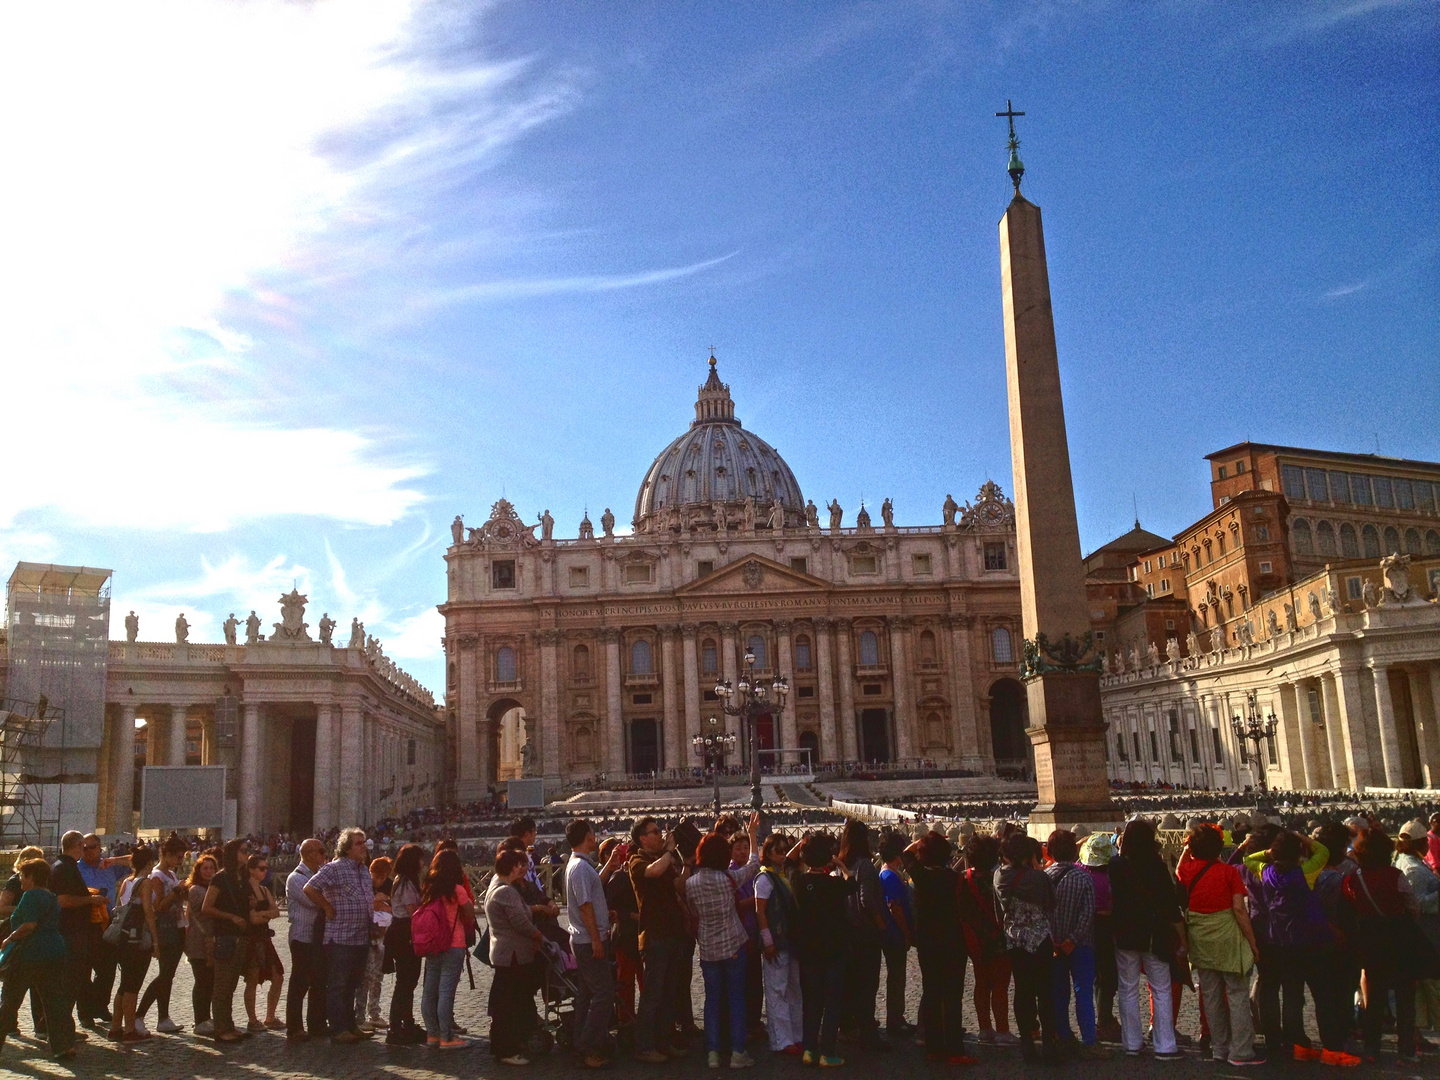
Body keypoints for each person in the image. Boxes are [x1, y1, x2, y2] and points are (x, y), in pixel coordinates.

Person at [1177, 824, 1263, 1067]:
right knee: (1236, 993)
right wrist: (1253, 942)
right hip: (1227, 935)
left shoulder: (1188, 870)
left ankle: (1220, 1048)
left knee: (1211, 995)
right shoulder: (1228, 873)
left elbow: (1178, 869)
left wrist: (1186, 850)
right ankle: (1241, 1051)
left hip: (1200, 938)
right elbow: (1239, 910)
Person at [1244, 830, 1330, 1063]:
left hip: (1271, 938)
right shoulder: (1305, 874)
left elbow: (1248, 859)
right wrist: (1303, 838)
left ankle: (1272, 1037)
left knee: (1269, 988)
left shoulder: (1266, 873)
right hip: (1297, 940)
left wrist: (1268, 853)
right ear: (1298, 854)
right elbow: (1323, 852)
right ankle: (1294, 1035)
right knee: (1293, 991)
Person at [685, 814, 761, 1069]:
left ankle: (713, 1053)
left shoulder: (691, 884)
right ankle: (739, 1052)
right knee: (736, 998)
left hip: (708, 950)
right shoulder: (728, 879)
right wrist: (751, 835)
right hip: (734, 945)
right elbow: (753, 864)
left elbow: (694, 915)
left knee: (712, 1000)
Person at [1108, 818, 1183, 1060]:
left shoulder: (1115, 865)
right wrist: (1181, 933)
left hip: (1125, 933)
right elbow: (1170, 904)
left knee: (1127, 989)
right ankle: (1165, 1045)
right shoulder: (1157, 866)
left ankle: (1131, 1043)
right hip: (1154, 934)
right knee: (1160, 989)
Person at [1344, 828, 1421, 1063]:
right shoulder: (1395, 875)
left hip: (1370, 939)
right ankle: (1406, 1050)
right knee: (1405, 997)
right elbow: (1413, 906)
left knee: (1374, 997)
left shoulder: (1355, 878)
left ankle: (1372, 1048)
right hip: (1398, 939)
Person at [905, 830, 975, 1064]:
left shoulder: (920, 876)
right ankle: (955, 1048)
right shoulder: (957, 879)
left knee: (932, 992)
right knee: (953, 996)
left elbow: (906, 854)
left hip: (927, 943)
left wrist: (919, 844)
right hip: (953, 942)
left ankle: (934, 1047)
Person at [303, 828, 377, 1044]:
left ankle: (351, 1025)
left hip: (361, 936)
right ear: (346, 847)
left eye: (364, 842)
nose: (363, 846)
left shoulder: (363, 870)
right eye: (358, 843)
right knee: (338, 984)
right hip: (340, 937)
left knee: (353, 984)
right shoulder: (334, 868)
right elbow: (310, 888)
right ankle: (337, 1028)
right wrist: (326, 907)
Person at [627, 815, 689, 1063]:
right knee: (652, 995)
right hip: (654, 936)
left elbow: (679, 886)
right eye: (655, 832)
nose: (660, 835)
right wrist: (669, 852)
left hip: (673, 933)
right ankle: (644, 1046)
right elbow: (653, 872)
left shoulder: (663, 861)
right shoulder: (637, 860)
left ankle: (664, 1041)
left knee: (669, 993)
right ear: (643, 838)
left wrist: (688, 864)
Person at [0, 858, 75, 1060]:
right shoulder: (51, 896)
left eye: (23, 876)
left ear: (31, 877)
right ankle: (63, 1046)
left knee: (9, 1000)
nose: (21, 880)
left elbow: (29, 925)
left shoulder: (30, 896)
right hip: (54, 951)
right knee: (54, 1001)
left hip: (30, 954)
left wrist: (9, 938)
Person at [790, 832, 855, 1066]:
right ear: (827, 859)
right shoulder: (834, 882)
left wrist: (801, 844)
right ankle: (828, 1052)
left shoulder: (798, 881)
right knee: (832, 1003)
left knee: (812, 1001)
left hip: (808, 950)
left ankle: (809, 1049)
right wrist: (840, 865)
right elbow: (852, 883)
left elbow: (789, 862)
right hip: (834, 949)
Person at [995, 832, 1059, 1064]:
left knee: (1022, 991)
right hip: (1040, 939)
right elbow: (1051, 904)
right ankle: (1049, 1043)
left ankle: (1026, 1041)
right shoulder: (1039, 879)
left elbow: (999, 910)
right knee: (1045, 992)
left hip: (1015, 940)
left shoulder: (999, 877)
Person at [1046, 829, 1106, 1060]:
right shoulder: (1084, 878)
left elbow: (1042, 914)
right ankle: (1089, 1041)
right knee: (1083, 994)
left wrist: (1054, 940)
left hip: (1054, 945)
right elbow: (1087, 914)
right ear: (1074, 852)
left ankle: (1063, 1036)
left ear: (1049, 852)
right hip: (1080, 945)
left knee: (1058, 993)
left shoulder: (1045, 877)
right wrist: (1073, 939)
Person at [565, 818, 619, 1068]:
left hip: (586, 938)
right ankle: (587, 1046)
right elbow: (584, 906)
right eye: (592, 833)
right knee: (603, 994)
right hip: (589, 941)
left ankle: (581, 1041)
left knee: (586, 995)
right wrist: (597, 939)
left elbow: (590, 897)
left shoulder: (580, 866)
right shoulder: (580, 868)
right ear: (588, 838)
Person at [486, 848, 545, 1065]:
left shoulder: (500, 887)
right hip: (512, 954)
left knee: (507, 1003)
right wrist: (538, 935)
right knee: (509, 1005)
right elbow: (520, 922)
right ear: (513, 867)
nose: (523, 868)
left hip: (507, 952)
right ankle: (506, 1049)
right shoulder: (506, 891)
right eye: (520, 864)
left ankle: (507, 1045)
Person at [836, 819, 888, 1052]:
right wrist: (880, 924)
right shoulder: (866, 865)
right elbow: (867, 899)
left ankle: (849, 1028)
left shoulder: (842, 865)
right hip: (866, 934)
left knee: (852, 984)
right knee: (868, 985)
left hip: (847, 932)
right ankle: (868, 1034)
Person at [50, 831, 109, 1035]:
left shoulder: (63, 866)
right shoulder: (65, 868)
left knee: (71, 982)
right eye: (83, 846)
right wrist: (91, 900)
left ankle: (55, 1025)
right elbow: (63, 900)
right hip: (70, 932)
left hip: (73, 931)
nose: (85, 850)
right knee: (70, 983)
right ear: (77, 845)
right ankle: (60, 1028)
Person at [958, 834, 1013, 1047]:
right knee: (1000, 985)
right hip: (997, 937)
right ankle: (1002, 1030)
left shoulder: (963, 879)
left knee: (981, 984)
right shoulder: (999, 879)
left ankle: (984, 1029)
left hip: (975, 939)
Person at [418, 848, 472, 1050]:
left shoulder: (428, 888)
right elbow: (468, 915)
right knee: (446, 992)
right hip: (453, 943)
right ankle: (447, 1037)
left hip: (433, 944)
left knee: (429, 992)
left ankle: (432, 1034)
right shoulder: (457, 889)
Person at [754, 833, 802, 1055]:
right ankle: (781, 1040)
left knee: (794, 989)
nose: (783, 854)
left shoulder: (781, 874)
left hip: (790, 940)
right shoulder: (764, 879)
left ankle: (796, 1035)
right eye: (779, 851)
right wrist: (767, 941)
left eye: (785, 850)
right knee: (776, 992)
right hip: (776, 941)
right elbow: (760, 912)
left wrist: (801, 843)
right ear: (769, 853)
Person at [203, 838, 255, 1043]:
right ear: (233, 853)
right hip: (225, 936)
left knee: (232, 984)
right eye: (243, 850)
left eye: (247, 850)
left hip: (241, 936)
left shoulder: (242, 877)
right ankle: (220, 1028)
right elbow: (206, 907)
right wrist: (231, 917)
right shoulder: (220, 878)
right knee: (222, 985)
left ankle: (230, 1025)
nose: (246, 854)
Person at [135, 833, 188, 1034]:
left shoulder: (172, 874)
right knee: (165, 975)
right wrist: (176, 892)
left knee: (168, 975)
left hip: (176, 926)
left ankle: (163, 1017)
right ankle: (139, 1014)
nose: (180, 861)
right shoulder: (157, 876)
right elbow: (158, 906)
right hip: (165, 928)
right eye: (178, 857)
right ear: (165, 854)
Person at [76, 834, 129, 1029]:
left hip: (107, 923)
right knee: (84, 971)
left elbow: (137, 861)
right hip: (84, 924)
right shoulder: (75, 868)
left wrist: (113, 859)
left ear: (100, 848)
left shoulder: (110, 866)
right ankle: (85, 1012)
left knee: (107, 971)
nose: (89, 850)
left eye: (93, 847)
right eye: (85, 847)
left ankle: (100, 1005)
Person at [109, 844, 157, 1042]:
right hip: (137, 939)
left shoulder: (126, 882)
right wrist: (155, 940)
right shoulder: (144, 883)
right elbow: (148, 912)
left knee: (124, 985)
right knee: (133, 985)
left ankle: (115, 1027)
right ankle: (130, 1029)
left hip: (123, 938)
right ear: (149, 862)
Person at [284, 838, 328, 1042]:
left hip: (319, 937)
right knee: (299, 983)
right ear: (309, 854)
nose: (324, 856)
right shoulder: (296, 878)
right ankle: (294, 1027)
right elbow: (314, 901)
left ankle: (316, 1023)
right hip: (302, 936)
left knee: (319, 981)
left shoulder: (318, 876)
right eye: (321, 851)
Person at [384, 844, 427, 1045]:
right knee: (405, 981)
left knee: (408, 981)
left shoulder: (402, 881)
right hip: (404, 933)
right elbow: (414, 910)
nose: (422, 863)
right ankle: (396, 1026)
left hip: (401, 931)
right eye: (420, 859)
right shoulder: (407, 883)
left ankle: (406, 1022)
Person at [1078, 833, 1120, 1043]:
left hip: (1083, 928)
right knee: (1107, 976)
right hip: (1104, 927)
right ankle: (1104, 1019)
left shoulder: (1079, 871)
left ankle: (1100, 1017)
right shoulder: (1110, 878)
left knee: (1094, 975)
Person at [601, 837, 642, 1037]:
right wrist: (631, 915)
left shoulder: (633, 874)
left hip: (637, 934)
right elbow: (611, 908)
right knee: (625, 982)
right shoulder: (618, 877)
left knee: (643, 981)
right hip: (625, 935)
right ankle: (626, 1021)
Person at [876, 831, 914, 1039]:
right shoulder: (890, 876)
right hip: (895, 934)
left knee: (897, 977)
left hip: (893, 933)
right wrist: (907, 933)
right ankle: (895, 1020)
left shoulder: (887, 873)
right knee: (897, 977)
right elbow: (895, 907)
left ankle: (897, 1018)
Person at [241, 852, 283, 1032]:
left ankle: (270, 1016)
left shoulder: (264, 890)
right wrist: (265, 915)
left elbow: (276, 912)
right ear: (251, 870)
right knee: (252, 978)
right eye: (261, 868)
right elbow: (252, 919)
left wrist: (261, 914)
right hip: (252, 938)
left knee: (278, 976)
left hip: (265, 937)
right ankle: (252, 1019)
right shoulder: (245, 890)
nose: (265, 871)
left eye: (266, 868)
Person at [184, 853, 218, 1037]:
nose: (208, 871)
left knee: (209, 981)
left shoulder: (211, 888)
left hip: (209, 939)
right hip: (198, 939)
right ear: (198, 871)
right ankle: (200, 1020)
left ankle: (206, 1016)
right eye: (205, 868)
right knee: (202, 981)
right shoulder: (196, 890)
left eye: (211, 868)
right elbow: (206, 911)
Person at [357, 856, 392, 1032]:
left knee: (378, 975)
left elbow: (394, 905)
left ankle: (374, 1013)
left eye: (383, 876)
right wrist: (375, 901)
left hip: (382, 934)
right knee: (366, 976)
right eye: (377, 876)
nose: (380, 880)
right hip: (366, 935)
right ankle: (359, 1015)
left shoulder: (389, 884)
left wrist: (385, 903)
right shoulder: (364, 884)